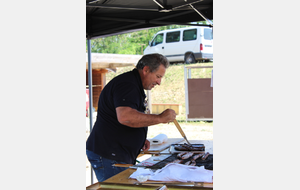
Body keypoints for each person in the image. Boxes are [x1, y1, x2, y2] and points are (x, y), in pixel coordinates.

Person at [86, 53, 176, 182]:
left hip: (115, 152)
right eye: (158, 76)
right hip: (109, 154)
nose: (159, 82)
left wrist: (138, 137)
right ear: (146, 70)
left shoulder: (133, 84)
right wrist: (160, 118)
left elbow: (129, 116)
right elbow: (125, 117)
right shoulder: (127, 85)